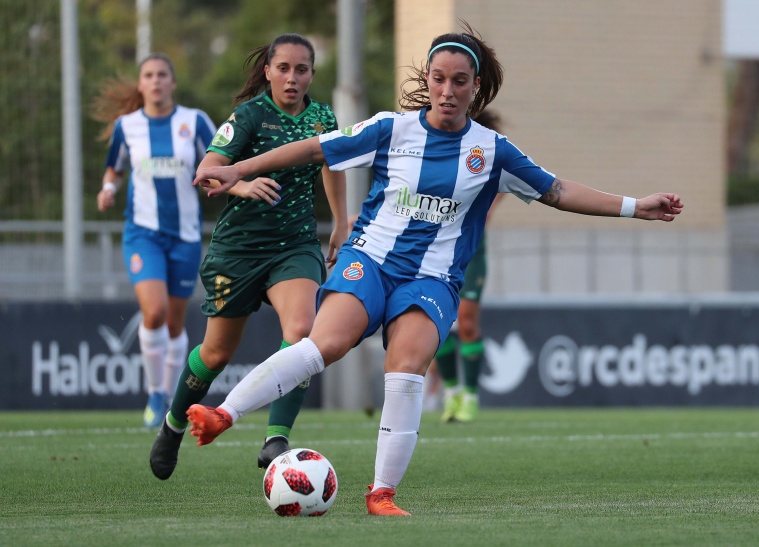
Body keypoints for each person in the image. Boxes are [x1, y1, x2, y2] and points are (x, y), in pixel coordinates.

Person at [186, 23, 683, 516]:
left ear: (475, 87)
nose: (448, 91)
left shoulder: (491, 151)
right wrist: (237, 169)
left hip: (432, 280)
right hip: (371, 261)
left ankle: (381, 495)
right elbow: (316, 149)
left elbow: (557, 190)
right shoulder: (390, 128)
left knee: (405, 368)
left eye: (460, 81)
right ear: (427, 79)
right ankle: (222, 413)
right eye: (439, 79)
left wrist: (635, 205)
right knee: (325, 344)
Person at [148, 34, 348, 481]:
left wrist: (341, 221)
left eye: (301, 70)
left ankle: (276, 437)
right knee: (217, 352)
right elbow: (206, 171)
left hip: (294, 246)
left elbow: (330, 164)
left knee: (302, 332)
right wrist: (241, 185)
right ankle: (173, 424)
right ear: (268, 72)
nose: (292, 78)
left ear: (312, 74)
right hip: (238, 250)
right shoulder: (250, 115)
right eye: (283, 69)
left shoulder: (321, 117)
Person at [95, 53, 216, 429]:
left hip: (185, 236)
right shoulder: (126, 126)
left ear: (172, 82)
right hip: (142, 234)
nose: (156, 81)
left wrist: (221, 182)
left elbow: (216, 161)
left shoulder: (194, 121)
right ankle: (154, 393)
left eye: (162, 74)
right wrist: (108, 188)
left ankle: (167, 397)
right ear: (141, 84)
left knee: (176, 325)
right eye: (148, 75)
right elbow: (114, 167)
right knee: (155, 313)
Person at [436, 108, 503, 423]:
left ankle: (471, 397)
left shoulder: (490, 153)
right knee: (438, 323)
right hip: (438, 251)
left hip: (472, 252)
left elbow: (502, 189)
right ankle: (451, 393)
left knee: (467, 322)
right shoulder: (439, 150)